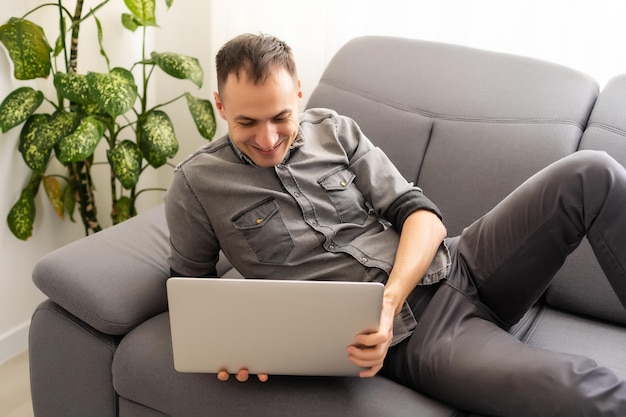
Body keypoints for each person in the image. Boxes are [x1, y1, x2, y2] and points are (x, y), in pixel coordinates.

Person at [164, 33, 626, 416]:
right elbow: (195, 303)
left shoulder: (335, 129)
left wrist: (387, 300)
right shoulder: (196, 186)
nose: (267, 139)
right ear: (221, 106)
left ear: (299, 94)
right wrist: (236, 350)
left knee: (592, 171)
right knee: (586, 394)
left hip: (461, 262)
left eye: (281, 117)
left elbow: (420, 215)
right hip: (415, 338)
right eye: (247, 121)